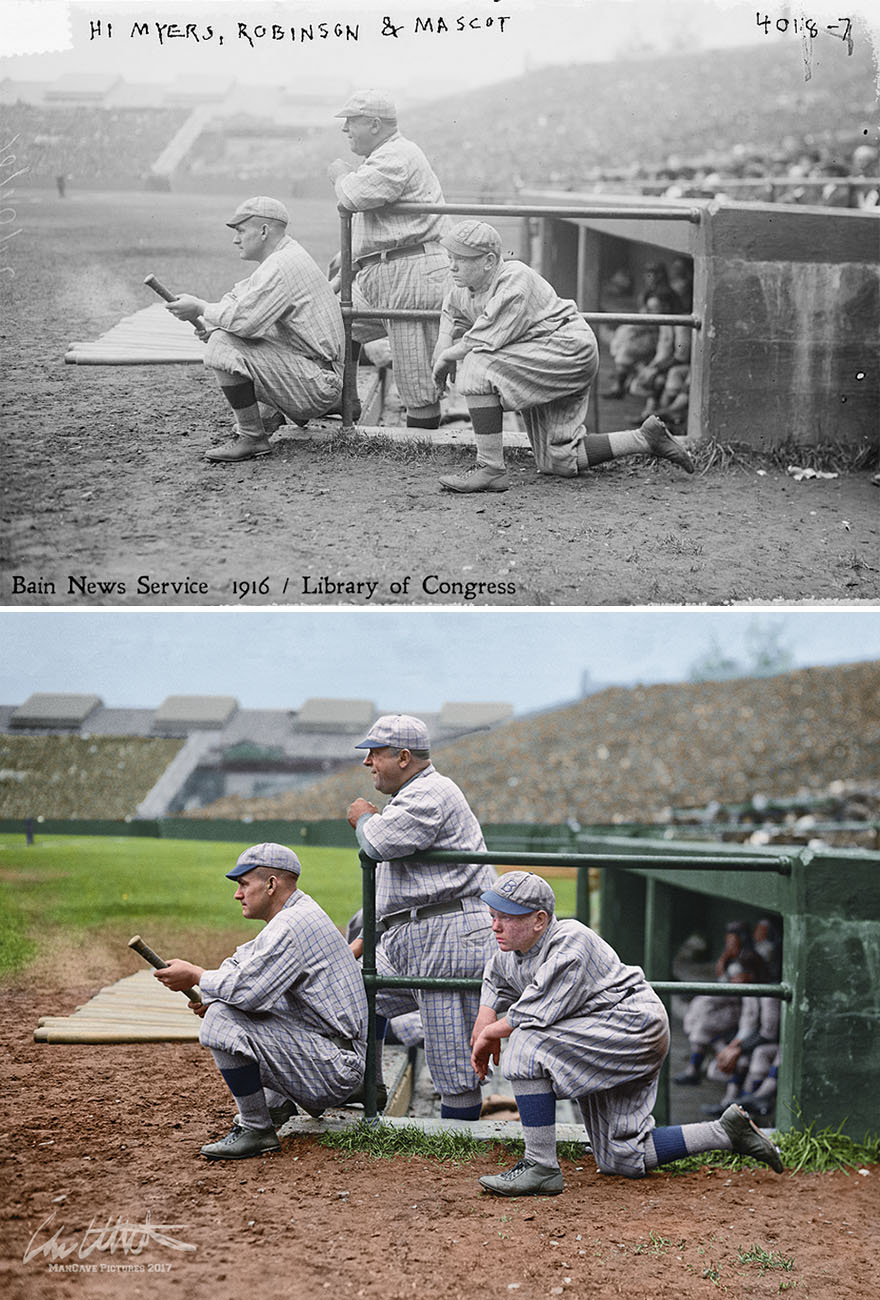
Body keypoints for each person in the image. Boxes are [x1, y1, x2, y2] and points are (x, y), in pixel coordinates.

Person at [471, 872, 783, 1197]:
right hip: (600, 1033)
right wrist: (486, 1014)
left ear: (539, 920)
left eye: (507, 917)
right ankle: (726, 1132)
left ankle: (540, 1165)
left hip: (632, 1025)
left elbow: (532, 1014)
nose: (496, 926)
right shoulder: (514, 950)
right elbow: (495, 976)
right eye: (494, 915)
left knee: (526, 1042)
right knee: (622, 1156)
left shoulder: (570, 940)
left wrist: (489, 1034)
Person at [431, 221, 694, 493]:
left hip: (567, 347)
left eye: (461, 259)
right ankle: (645, 438)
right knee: (558, 459)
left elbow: (482, 340)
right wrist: (443, 340)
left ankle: (490, 468)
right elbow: (451, 309)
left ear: (488, 261)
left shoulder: (514, 277)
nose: (452, 266)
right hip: (539, 354)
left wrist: (448, 356)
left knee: (477, 364)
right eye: (451, 258)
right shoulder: (466, 287)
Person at [154, 842, 367, 1160]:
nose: (237, 894)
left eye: (243, 884)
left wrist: (198, 977)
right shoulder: (298, 912)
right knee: (231, 1007)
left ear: (271, 885)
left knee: (222, 1019)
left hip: (336, 1069)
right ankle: (276, 1106)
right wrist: (212, 992)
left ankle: (256, 1129)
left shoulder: (292, 925)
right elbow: (243, 963)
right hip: (332, 1054)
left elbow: (248, 992)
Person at [346, 713, 497, 1120]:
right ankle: (370, 1085)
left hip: (446, 933)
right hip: (421, 932)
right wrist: (363, 943)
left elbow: (376, 842)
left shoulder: (432, 791)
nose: (367, 762)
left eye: (375, 753)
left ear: (404, 757)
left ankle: (459, 1151)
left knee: (453, 1070)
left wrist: (363, 817)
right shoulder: (413, 795)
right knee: (361, 993)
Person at [165, 196, 345, 463]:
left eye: (240, 231)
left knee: (221, 346)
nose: (235, 240)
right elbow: (240, 299)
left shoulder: (282, 265)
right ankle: (275, 414)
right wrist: (213, 322)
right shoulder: (286, 255)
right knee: (225, 336)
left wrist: (201, 309)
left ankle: (253, 438)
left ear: (263, 231)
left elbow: (244, 322)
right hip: (320, 374)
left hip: (319, 385)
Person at [328, 90, 451, 430]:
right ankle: (347, 396)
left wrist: (340, 174)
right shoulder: (385, 155)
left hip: (410, 271)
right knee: (335, 322)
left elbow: (352, 195)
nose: (345, 130)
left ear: (376, 124)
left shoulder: (397, 153)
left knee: (416, 384)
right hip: (386, 270)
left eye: (351, 122)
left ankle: (423, 452)